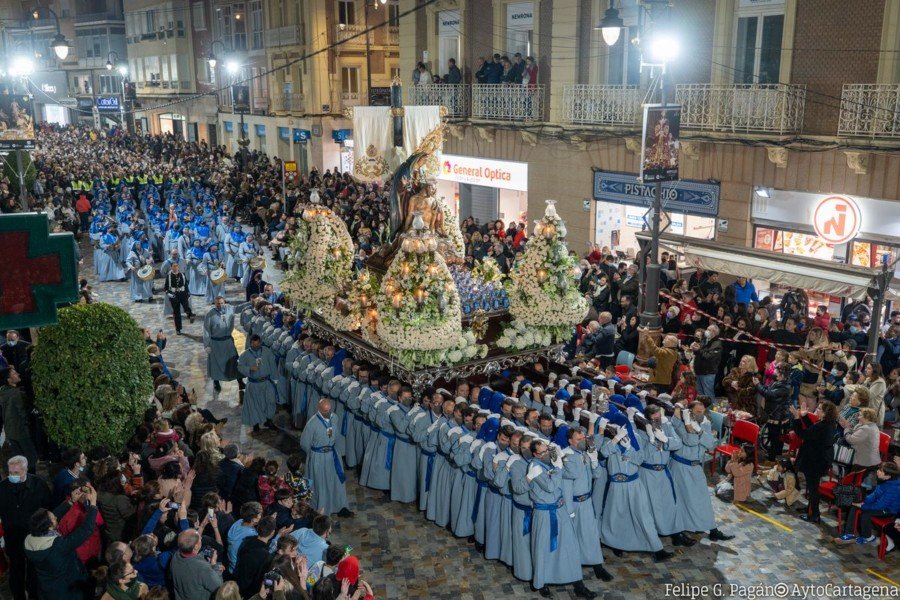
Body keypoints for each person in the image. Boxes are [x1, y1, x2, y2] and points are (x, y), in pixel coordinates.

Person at [527, 440, 597, 598]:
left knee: (570, 546)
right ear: (535, 454)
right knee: (543, 548)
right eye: (543, 452)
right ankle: (542, 582)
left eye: (547, 450)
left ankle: (578, 584)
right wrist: (558, 467)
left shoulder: (551, 463)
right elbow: (550, 486)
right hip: (544, 513)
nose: (547, 454)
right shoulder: (535, 467)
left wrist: (561, 458)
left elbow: (572, 474)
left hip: (560, 509)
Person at [669, 401, 734, 541]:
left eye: (702, 411)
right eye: (697, 412)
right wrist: (688, 424)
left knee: (703, 499)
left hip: (696, 466)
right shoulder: (680, 422)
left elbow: (710, 444)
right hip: (680, 466)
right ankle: (680, 531)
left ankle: (713, 530)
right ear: (690, 411)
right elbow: (690, 441)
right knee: (681, 500)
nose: (700, 414)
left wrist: (699, 431)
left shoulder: (705, 422)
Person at [24, 483, 99, 600]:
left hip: (48, 590)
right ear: (48, 526)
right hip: (68, 591)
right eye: (53, 519)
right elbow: (85, 530)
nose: (56, 518)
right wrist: (93, 505)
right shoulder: (57, 546)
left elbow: (52, 517)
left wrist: (71, 501)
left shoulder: (30, 540)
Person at [0, 456, 52, 600]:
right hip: (13, 538)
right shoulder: (2, 488)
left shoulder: (39, 485)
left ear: (25, 470)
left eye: (16, 473)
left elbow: (48, 509)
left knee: (33, 572)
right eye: (10, 473)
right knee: (16, 571)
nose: (12, 476)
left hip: (34, 537)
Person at [299, 398, 352, 517]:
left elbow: (336, 435)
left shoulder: (335, 418)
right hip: (318, 457)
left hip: (333, 455)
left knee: (337, 481)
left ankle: (340, 506)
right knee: (321, 483)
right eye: (324, 411)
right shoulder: (312, 423)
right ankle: (322, 509)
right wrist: (314, 455)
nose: (327, 413)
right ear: (318, 409)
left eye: (329, 410)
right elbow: (304, 443)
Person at [789, 400, 838, 523]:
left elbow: (804, 434)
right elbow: (812, 430)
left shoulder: (823, 426)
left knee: (813, 488)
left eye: (820, 409)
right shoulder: (828, 423)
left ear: (825, 413)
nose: (817, 410)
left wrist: (796, 418)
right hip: (819, 459)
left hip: (816, 461)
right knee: (812, 487)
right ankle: (810, 509)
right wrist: (805, 416)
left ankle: (814, 515)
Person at [834, 462, 900, 546]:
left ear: (888, 476)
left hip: (888, 511)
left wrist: (863, 506)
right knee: (854, 507)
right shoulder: (884, 480)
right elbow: (874, 495)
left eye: (881, 471)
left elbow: (880, 506)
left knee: (865, 514)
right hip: (880, 505)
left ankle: (868, 537)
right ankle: (849, 534)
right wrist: (864, 501)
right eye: (879, 469)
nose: (877, 471)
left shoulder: (894, 488)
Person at [238, 334, 279, 432]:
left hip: (266, 382)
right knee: (254, 405)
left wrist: (275, 378)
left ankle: (268, 420)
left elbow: (272, 364)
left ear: (260, 342)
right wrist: (250, 368)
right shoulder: (245, 355)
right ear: (250, 343)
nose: (256, 346)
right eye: (253, 344)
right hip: (253, 384)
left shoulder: (267, 351)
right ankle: (255, 424)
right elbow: (239, 367)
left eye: (257, 344)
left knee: (270, 402)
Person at [0, 367, 37, 470]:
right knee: (30, 458)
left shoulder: (2, 392)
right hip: (21, 430)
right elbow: (23, 413)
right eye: (14, 373)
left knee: (19, 459)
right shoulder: (17, 393)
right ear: (9, 379)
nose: (18, 374)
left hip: (10, 431)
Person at [170, 529, 224, 600]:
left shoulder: (175, 556)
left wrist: (201, 557)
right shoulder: (203, 568)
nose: (201, 538)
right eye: (200, 538)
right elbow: (219, 588)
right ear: (195, 546)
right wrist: (214, 565)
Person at [204, 296, 241, 393]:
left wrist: (252, 302)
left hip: (228, 341)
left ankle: (240, 381)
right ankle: (216, 382)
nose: (220, 305)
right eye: (218, 304)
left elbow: (239, 308)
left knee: (234, 360)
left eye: (221, 303)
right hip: (216, 343)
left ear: (224, 302)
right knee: (215, 364)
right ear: (215, 304)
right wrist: (207, 345)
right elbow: (206, 331)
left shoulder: (230, 309)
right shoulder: (210, 315)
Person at [233, 515, 277, 598]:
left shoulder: (246, 541)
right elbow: (259, 579)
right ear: (272, 532)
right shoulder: (265, 556)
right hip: (248, 593)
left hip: (237, 583)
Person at [842, 407, 882, 472]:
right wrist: (849, 428)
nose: (858, 418)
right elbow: (857, 433)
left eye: (860, 415)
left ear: (867, 418)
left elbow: (850, 440)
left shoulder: (866, 429)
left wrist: (846, 428)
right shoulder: (873, 426)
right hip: (872, 461)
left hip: (864, 463)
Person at [691, 325, 723, 399]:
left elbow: (710, 357)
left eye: (709, 330)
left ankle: (711, 406)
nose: (706, 331)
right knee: (700, 394)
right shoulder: (704, 340)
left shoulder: (717, 344)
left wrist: (699, 350)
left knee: (708, 394)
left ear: (714, 332)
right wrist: (695, 349)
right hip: (699, 371)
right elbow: (699, 353)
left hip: (708, 372)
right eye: (707, 329)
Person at [164, 261, 195, 334]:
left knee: (186, 306)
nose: (175, 267)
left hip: (182, 293)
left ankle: (190, 315)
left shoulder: (182, 275)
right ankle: (178, 329)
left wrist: (188, 293)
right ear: (171, 267)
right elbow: (166, 288)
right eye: (174, 266)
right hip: (174, 295)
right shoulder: (169, 276)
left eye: (176, 266)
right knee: (176, 312)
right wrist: (169, 294)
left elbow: (185, 285)